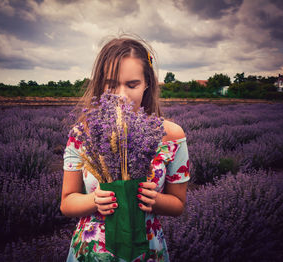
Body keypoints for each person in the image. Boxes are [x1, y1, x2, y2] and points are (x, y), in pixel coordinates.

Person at [60, 35, 190, 262]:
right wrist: (94, 200)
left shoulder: (172, 136)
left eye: (132, 84)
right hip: (91, 253)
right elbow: (67, 202)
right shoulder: (83, 135)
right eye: (111, 84)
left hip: (147, 251)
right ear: (100, 84)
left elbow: (178, 205)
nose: (121, 95)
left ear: (147, 83)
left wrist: (155, 200)